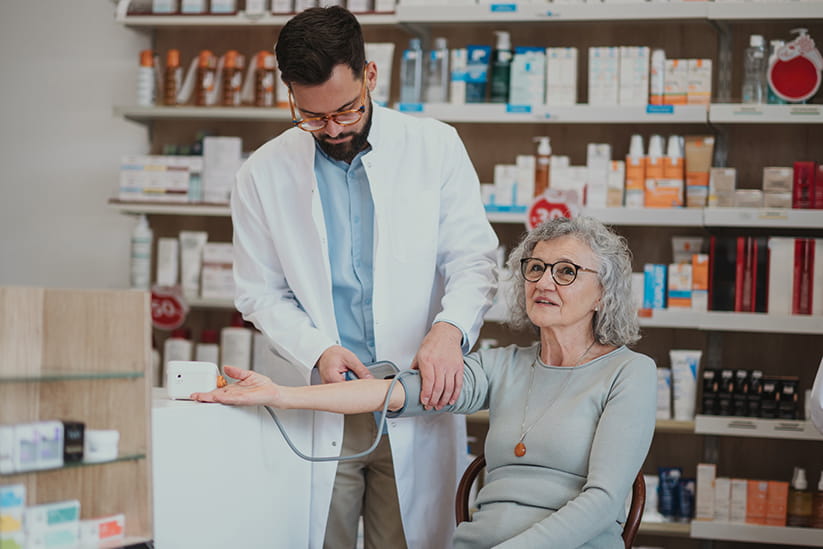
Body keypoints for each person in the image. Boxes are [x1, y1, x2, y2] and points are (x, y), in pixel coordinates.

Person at [195, 216, 657, 549]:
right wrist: (281, 395)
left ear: (604, 293)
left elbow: (602, 502)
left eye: (567, 271)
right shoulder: (503, 365)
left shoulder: (628, 373)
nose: (544, 282)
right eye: (535, 267)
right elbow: (392, 391)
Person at [230, 6, 498, 549]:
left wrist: (449, 331)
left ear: (370, 76)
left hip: (415, 394)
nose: (332, 129)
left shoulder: (436, 147)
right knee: (318, 537)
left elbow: (473, 259)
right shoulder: (261, 172)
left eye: (346, 111)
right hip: (327, 397)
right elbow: (259, 291)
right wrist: (317, 349)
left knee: (406, 539)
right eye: (312, 117)